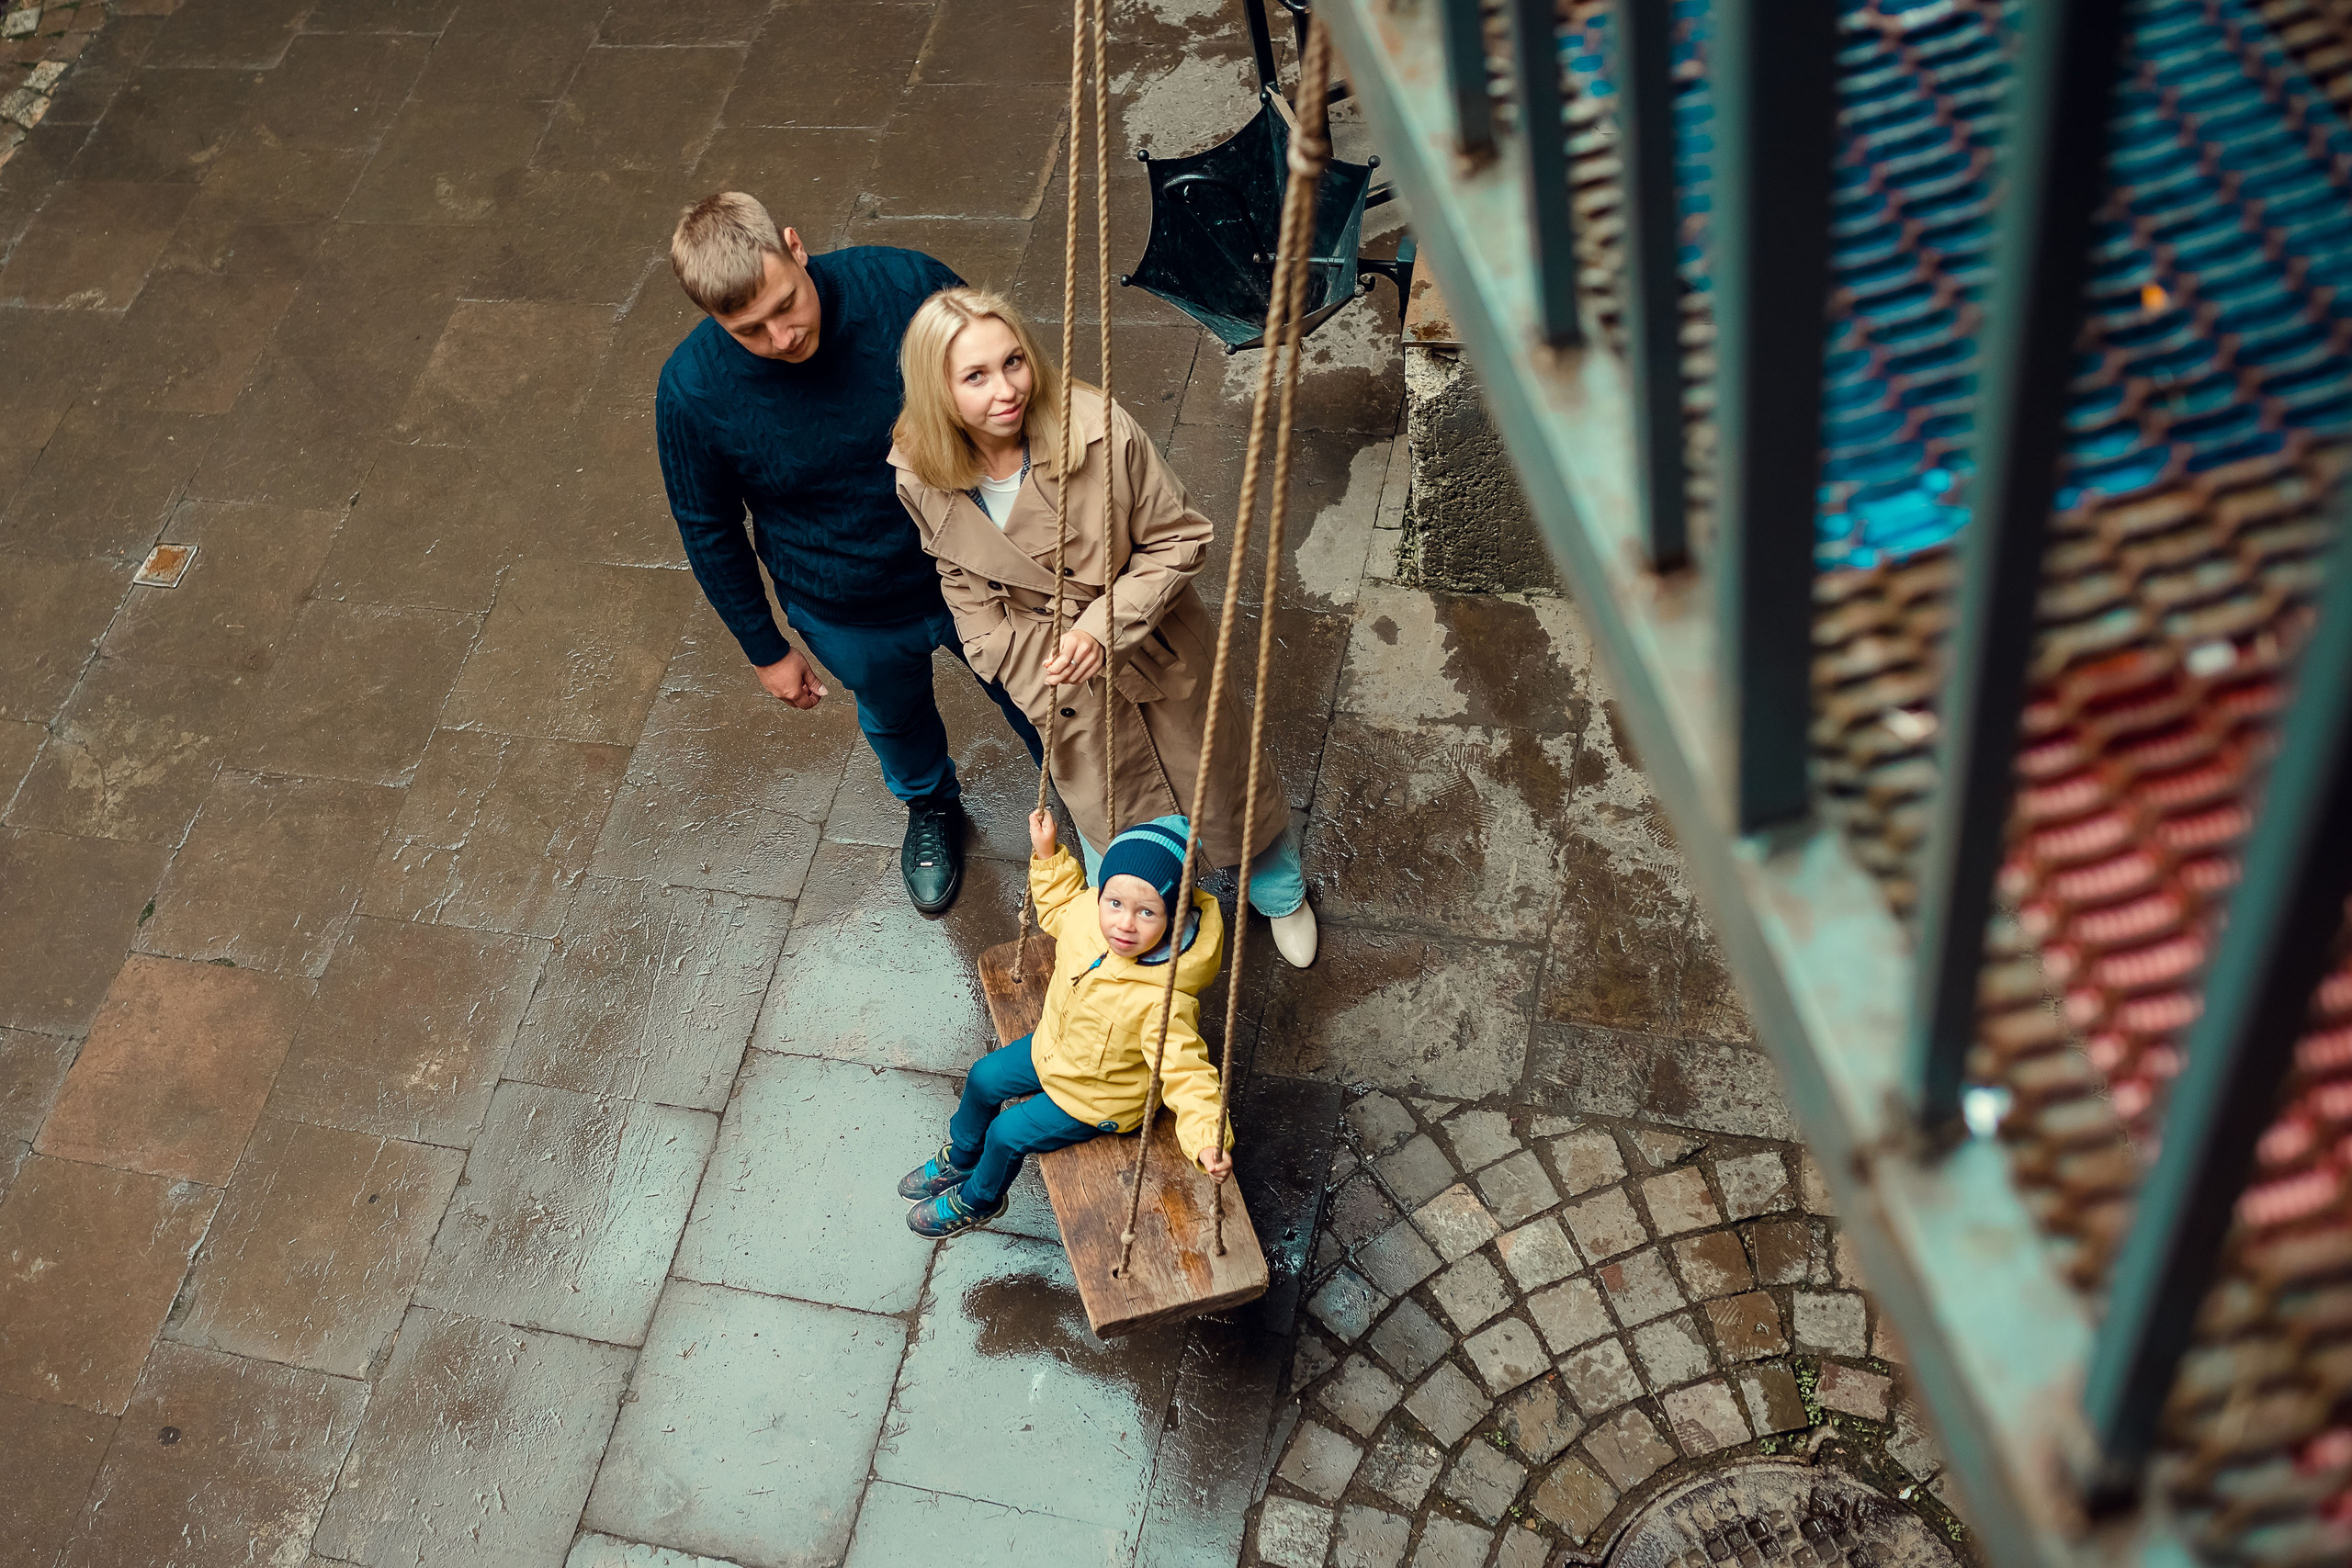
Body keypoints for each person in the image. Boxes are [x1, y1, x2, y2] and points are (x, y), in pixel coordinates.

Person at [887, 286, 1319, 966]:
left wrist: (1099, 627)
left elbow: (1180, 539)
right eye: (975, 376)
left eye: (1014, 362)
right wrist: (1007, 659)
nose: (1007, 389)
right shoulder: (919, 467)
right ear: (937, 391)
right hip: (1057, 681)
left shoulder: (1096, 427)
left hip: (1155, 648)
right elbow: (958, 575)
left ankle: (1280, 892)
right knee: (1107, 812)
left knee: (1224, 786)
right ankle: (1148, 917)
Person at [655, 192, 1043, 915]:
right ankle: (930, 805)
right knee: (894, 716)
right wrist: (765, 648)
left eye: (786, 303)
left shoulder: (904, 287)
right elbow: (706, 525)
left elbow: (1008, 391)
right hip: (842, 600)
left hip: (973, 569)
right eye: (749, 329)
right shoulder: (690, 390)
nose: (781, 336)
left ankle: (1082, 798)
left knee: (1042, 700)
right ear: (714, 320)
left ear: (797, 247)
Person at [900, 811, 1233, 1237]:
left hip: (1098, 1097)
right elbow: (1060, 905)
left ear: (1175, 917)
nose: (1125, 924)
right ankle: (963, 1156)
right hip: (1055, 1049)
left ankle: (979, 1199)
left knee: (1006, 1133)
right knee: (982, 1077)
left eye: (1147, 912)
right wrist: (1047, 854)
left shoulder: (1162, 999)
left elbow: (1188, 1074)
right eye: (1115, 903)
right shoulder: (1089, 918)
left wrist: (1209, 1138)